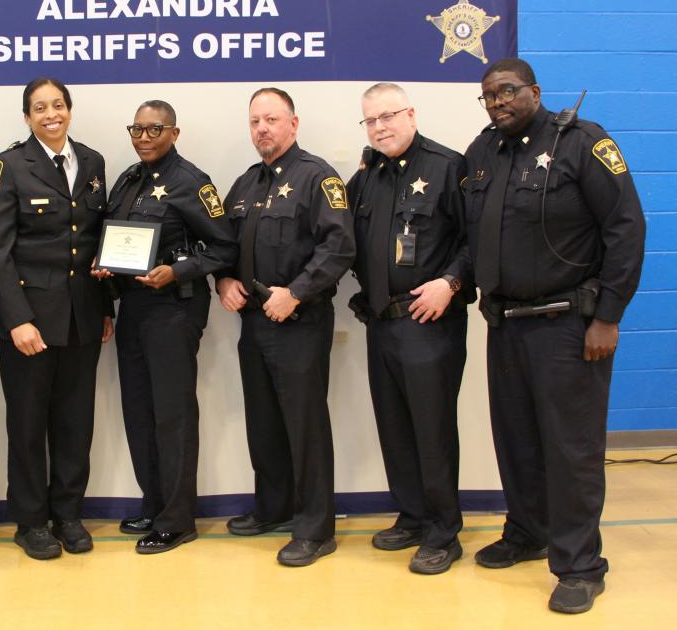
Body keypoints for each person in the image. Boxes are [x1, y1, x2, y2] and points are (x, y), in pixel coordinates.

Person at [463, 58, 645, 613]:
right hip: (507, 323)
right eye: (489, 95)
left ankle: (580, 564)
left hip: (570, 326)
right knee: (516, 441)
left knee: (572, 451)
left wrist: (607, 316)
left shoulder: (581, 143)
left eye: (508, 91)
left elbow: (626, 227)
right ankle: (528, 532)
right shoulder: (481, 152)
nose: (498, 102)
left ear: (534, 92)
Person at [216, 87, 355, 567]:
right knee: (265, 423)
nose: (262, 129)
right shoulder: (245, 184)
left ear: (293, 123)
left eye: (271, 120)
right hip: (254, 322)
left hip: (299, 321)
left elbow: (338, 246)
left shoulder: (318, 177)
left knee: (305, 426)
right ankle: (273, 508)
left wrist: (295, 291)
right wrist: (224, 280)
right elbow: (224, 245)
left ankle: (316, 529)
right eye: (255, 122)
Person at [94, 100, 237, 554]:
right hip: (134, 308)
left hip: (174, 311)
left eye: (154, 129)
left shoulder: (192, 182)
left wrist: (177, 272)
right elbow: (116, 238)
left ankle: (178, 519)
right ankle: (154, 502)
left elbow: (224, 248)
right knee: (139, 411)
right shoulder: (128, 180)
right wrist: (106, 264)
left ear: (174, 133)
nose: (144, 137)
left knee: (172, 414)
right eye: (136, 129)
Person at [0, 77, 113, 560]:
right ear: (27, 117)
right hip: (29, 322)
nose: (51, 114)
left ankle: (69, 515)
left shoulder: (93, 162)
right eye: (40, 107)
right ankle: (31, 521)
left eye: (58, 105)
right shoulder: (9, 165)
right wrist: (17, 318)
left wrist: (105, 307)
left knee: (76, 424)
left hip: (82, 316)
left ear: (69, 110)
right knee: (29, 425)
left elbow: (99, 239)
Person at [346, 82, 474, 574]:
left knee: (432, 428)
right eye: (371, 120)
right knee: (395, 427)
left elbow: (475, 238)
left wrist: (451, 280)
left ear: (411, 114)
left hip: (429, 322)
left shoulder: (447, 167)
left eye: (389, 116)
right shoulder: (366, 178)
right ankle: (413, 515)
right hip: (382, 322)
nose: (381, 126)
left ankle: (444, 531)